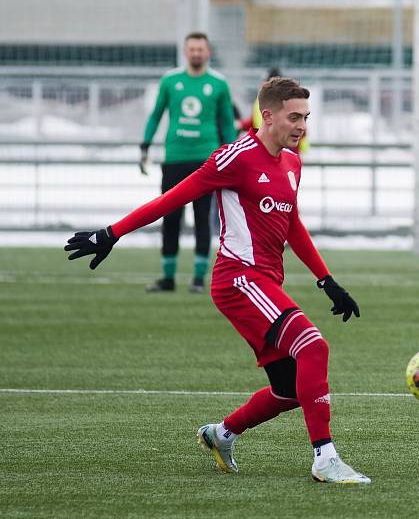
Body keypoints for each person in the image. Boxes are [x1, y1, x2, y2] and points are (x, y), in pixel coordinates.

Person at [65, 77, 370, 484]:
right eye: (294, 117)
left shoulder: (293, 163)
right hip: (238, 279)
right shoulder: (235, 157)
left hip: (266, 283)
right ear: (268, 115)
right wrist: (111, 233)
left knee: (290, 389)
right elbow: (172, 198)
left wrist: (327, 280)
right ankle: (325, 459)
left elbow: (292, 223)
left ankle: (220, 434)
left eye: (306, 118)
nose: (302, 127)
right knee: (313, 346)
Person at [139, 31, 237, 293]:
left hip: (205, 160)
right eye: (192, 49)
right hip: (175, 158)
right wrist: (145, 145)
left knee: (202, 217)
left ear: (208, 53)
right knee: (170, 216)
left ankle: (197, 278)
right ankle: (168, 277)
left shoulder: (218, 84)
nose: (196, 53)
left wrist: (232, 154)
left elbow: (227, 123)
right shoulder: (171, 81)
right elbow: (156, 115)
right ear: (186, 52)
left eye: (200, 49)